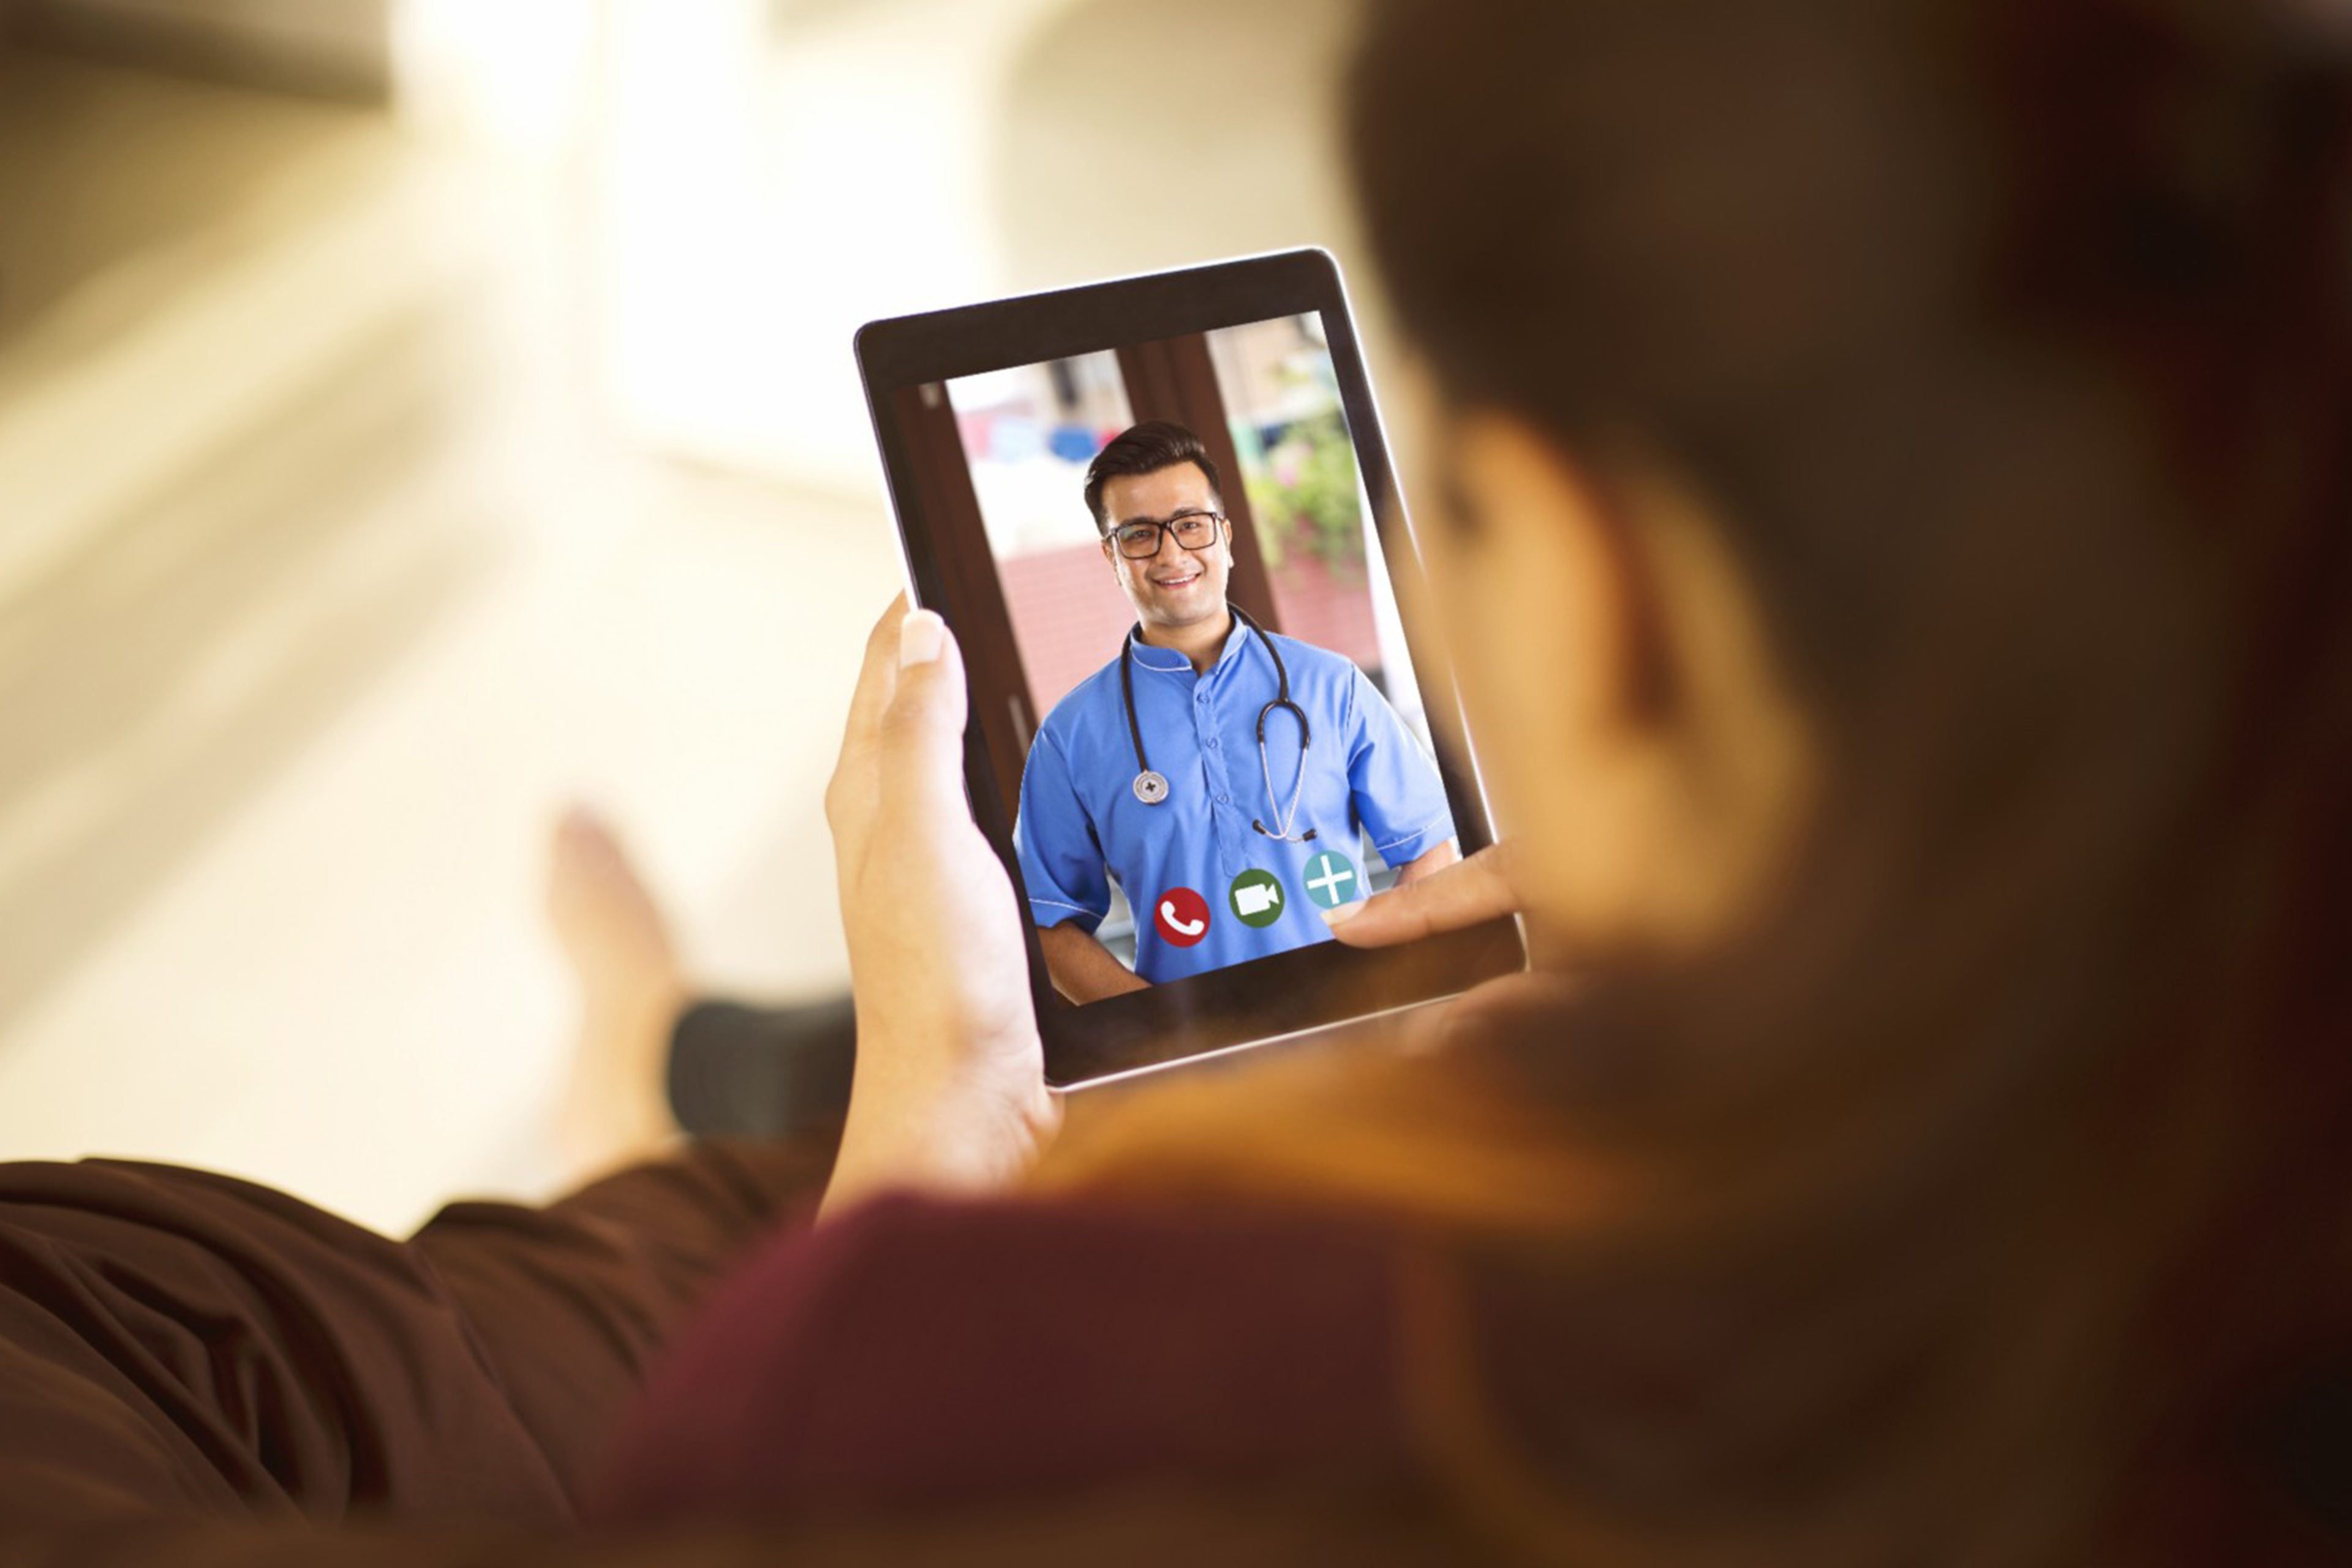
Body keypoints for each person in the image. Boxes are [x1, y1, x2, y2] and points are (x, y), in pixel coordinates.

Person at [4, 0, 2347, 1561]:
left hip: (1062, 1171)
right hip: (1241, 1020)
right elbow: (1104, 932)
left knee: (756, 1144)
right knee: (880, 1022)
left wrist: (918, 1168)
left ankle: (645, 1070)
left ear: (1602, 577)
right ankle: (683, 1043)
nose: (1174, 548)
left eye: (1479, 513)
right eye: (1132, 533)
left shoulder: (987, 1373)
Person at [1014, 420, 1459, 1003]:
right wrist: (1157, 1035)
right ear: (1111, 555)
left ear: (1225, 535)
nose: (1171, 553)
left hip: (1361, 1022)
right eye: (1139, 534)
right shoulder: (1069, 738)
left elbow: (1430, 846)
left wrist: (1382, 977)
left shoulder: (1332, 685)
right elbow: (1047, 922)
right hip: (1201, 1061)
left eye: (1191, 526)